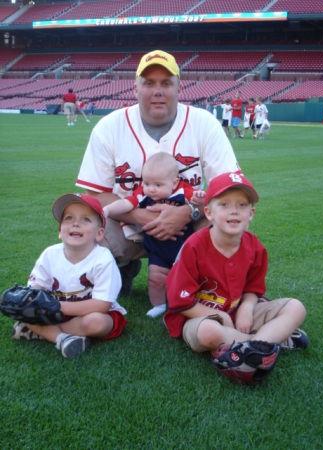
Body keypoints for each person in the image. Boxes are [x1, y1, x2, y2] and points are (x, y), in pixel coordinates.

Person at [76, 49, 241, 298]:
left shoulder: (204, 123)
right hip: (126, 222)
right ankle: (120, 267)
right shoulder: (109, 127)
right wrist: (143, 217)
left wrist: (189, 212)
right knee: (84, 217)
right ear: (135, 88)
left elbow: (229, 188)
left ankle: (207, 279)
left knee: (230, 217)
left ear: (179, 87)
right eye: (149, 82)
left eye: (166, 83)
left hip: (188, 225)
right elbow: (95, 193)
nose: (158, 91)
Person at [164, 172, 308, 370]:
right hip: (199, 317)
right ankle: (265, 343)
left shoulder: (255, 247)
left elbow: (253, 289)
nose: (234, 211)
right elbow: (179, 302)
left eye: (241, 205)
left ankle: (252, 348)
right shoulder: (194, 246)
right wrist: (220, 316)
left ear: (251, 213)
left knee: (296, 307)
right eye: (224, 205)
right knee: (209, 333)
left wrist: (247, 309)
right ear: (209, 213)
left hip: (237, 311)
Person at [11, 193, 127, 359]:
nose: (76, 223)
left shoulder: (103, 258)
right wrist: (32, 302)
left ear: (99, 234)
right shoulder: (50, 254)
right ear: (60, 231)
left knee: (96, 322)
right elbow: (36, 289)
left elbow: (101, 305)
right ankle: (63, 339)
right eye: (69, 218)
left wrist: (56, 306)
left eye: (86, 219)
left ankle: (42, 332)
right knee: (24, 307)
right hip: (55, 313)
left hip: (92, 313)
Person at [103, 153, 205, 318]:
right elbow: (126, 204)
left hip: (183, 250)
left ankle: (189, 302)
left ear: (174, 183)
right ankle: (158, 305)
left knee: (188, 278)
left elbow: (197, 204)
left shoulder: (181, 191)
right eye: (147, 183)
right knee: (155, 279)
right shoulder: (143, 195)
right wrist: (107, 210)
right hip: (157, 250)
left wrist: (198, 200)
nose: (151, 188)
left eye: (158, 184)